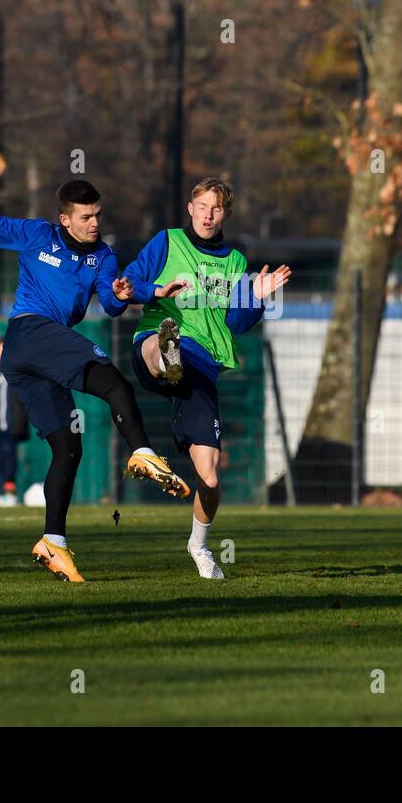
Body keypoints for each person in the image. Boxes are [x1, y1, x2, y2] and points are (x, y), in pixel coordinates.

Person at [0, 179, 189, 582]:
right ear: (65, 219)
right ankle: (141, 451)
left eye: (98, 215)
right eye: (85, 217)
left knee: (69, 447)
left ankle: (54, 542)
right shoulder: (38, 234)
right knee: (115, 385)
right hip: (28, 333)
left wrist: (127, 294)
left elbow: (109, 302)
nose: (94, 223)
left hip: (34, 358)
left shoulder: (104, 256)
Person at [120, 178, 290, 578]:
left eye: (216, 208)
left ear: (225, 214)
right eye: (202, 205)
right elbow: (131, 283)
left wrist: (255, 297)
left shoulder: (234, 262)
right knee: (159, 345)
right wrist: (157, 289)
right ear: (190, 207)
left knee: (210, 476)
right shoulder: (166, 242)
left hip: (202, 369)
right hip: (160, 344)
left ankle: (199, 545)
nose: (208, 214)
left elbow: (236, 323)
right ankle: (166, 351)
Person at [0, 337, 29, 506]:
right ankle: (4, 493)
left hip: (12, 425)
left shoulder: (18, 370)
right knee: (0, 459)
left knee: (10, 457)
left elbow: (23, 400)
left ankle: (10, 491)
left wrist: (22, 423)